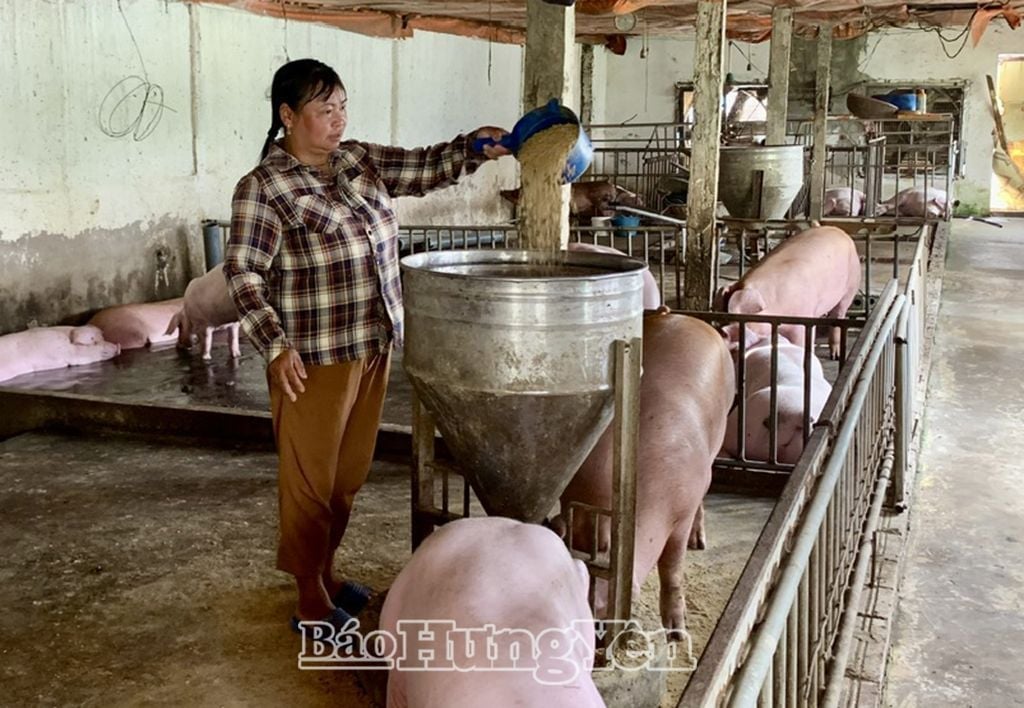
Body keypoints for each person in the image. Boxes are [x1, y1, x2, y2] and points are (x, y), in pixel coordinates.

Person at [224, 58, 509, 632]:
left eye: (343, 107)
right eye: (323, 110)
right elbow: (243, 273)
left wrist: (477, 147)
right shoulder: (265, 188)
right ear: (287, 116)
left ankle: (326, 571)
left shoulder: (359, 161)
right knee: (310, 480)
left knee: (347, 477)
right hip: (311, 356)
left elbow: (426, 167)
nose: (337, 120)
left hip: (372, 344)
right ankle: (309, 595)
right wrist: (275, 347)